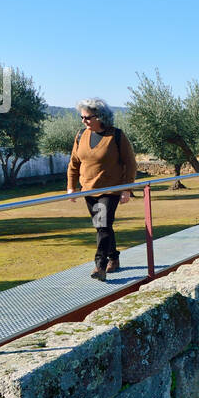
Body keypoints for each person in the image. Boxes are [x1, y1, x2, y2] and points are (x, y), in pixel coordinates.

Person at [67, 98, 137, 281]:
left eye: (87, 118)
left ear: (100, 117)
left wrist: (126, 188)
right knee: (102, 226)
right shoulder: (81, 136)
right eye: (82, 117)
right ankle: (114, 257)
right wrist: (71, 187)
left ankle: (100, 265)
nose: (84, 121)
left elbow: (130, 164)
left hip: (110, 190)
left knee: (102, 225)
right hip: (88, 191)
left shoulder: (116, 136)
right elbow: (74, 163)